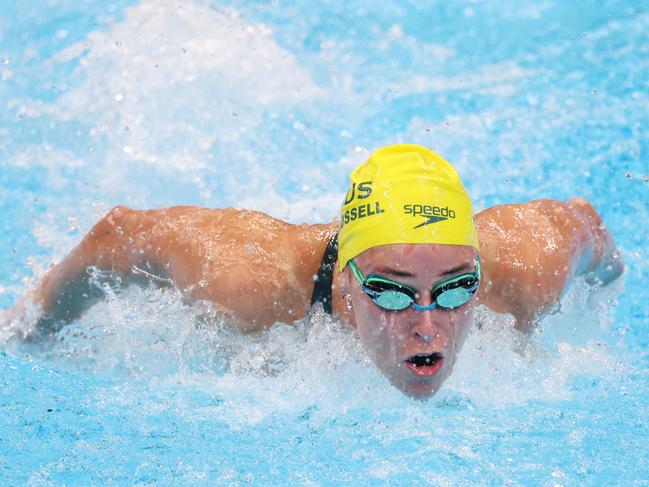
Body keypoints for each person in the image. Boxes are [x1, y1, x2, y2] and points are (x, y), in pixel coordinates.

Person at [5, 144, 623, 398]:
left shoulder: (526, 268)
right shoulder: (246, 280)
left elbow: (587, 228)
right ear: (348, 282)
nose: (428, 325)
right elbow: (116, 233)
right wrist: (27, 328)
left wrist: (612, 277)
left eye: (457, 287)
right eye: (390, 290)